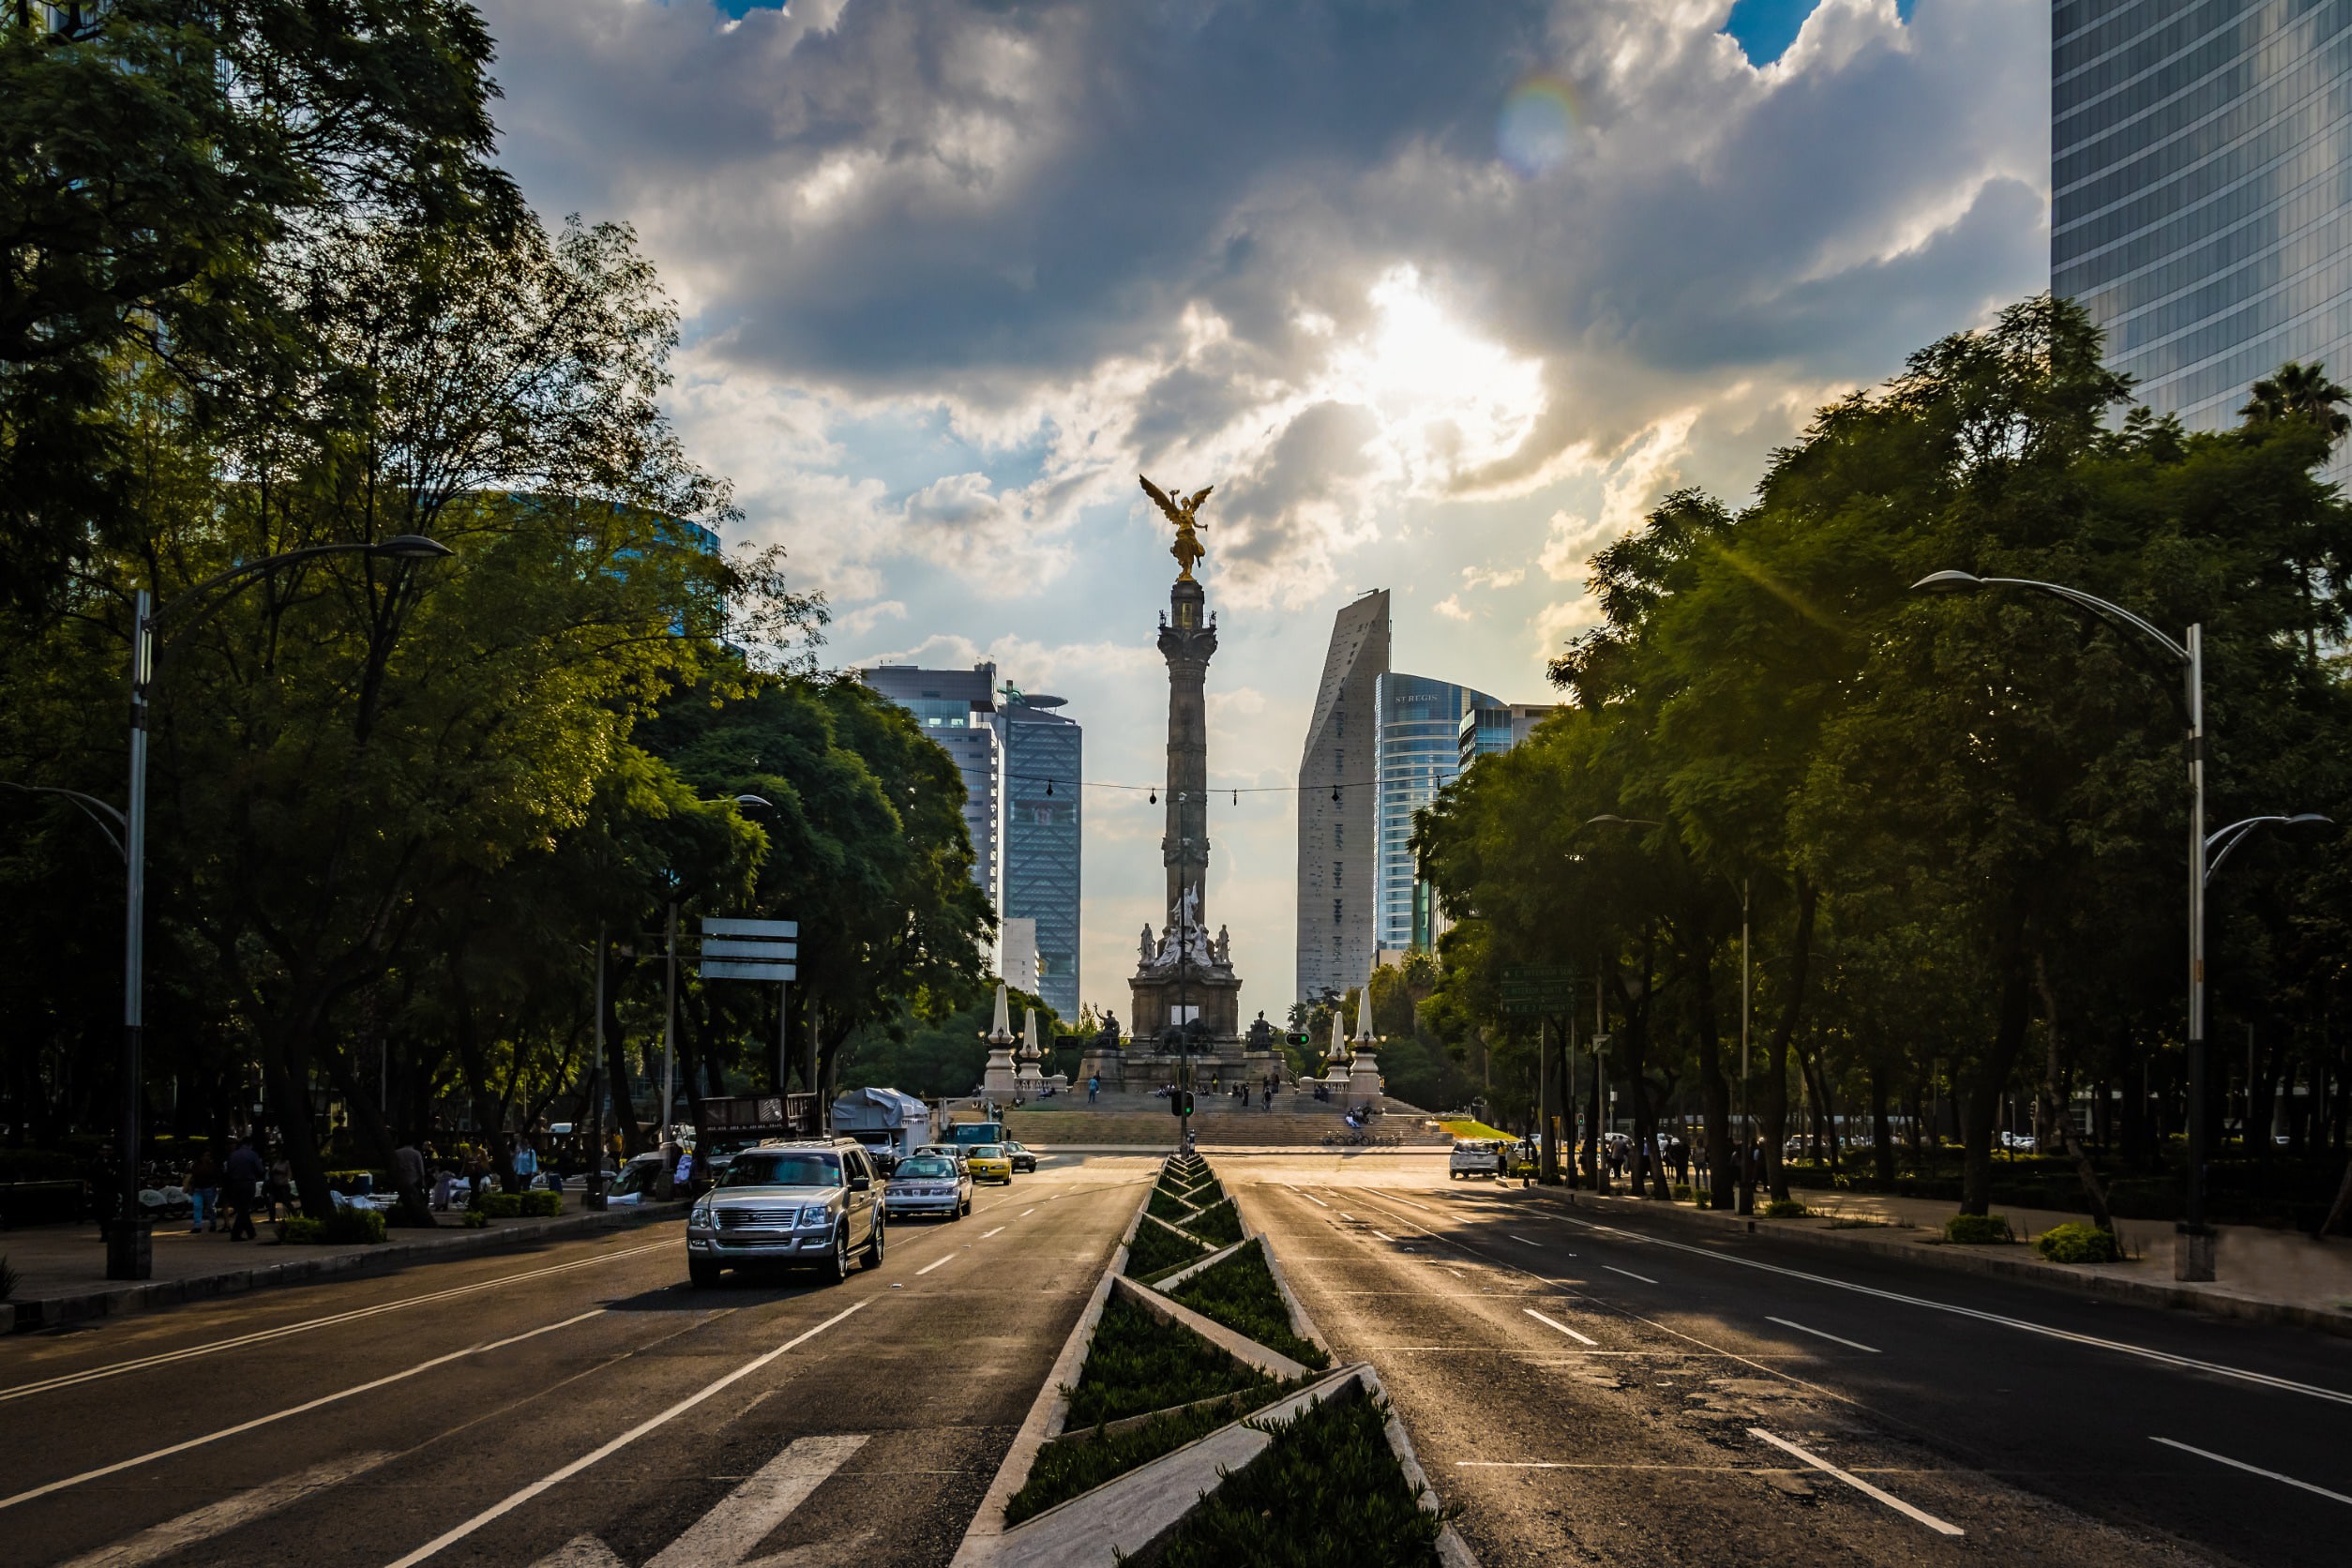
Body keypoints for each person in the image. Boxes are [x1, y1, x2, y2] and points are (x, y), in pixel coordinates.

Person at [224, 1138, 264, 1241]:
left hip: (234, 1184)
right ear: (250, 1144)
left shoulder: (233, 1155)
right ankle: (236, 1233)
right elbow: (260, 1170)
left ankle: (251, 1231)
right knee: (244, 1209)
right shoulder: (252, 1154)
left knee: (241, 1208)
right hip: (248, 1183)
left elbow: (228, 1170)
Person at [188, 1146, 219, 1234]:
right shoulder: (197, 1165)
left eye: (208, 1156)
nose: (206, 1157)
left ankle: (212, 1223)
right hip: (200, 1188)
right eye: (205, 1155)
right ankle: (198, 1226)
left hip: (208, 1188)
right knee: (198, 1207)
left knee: (210, 1207)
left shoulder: (211, 1166)